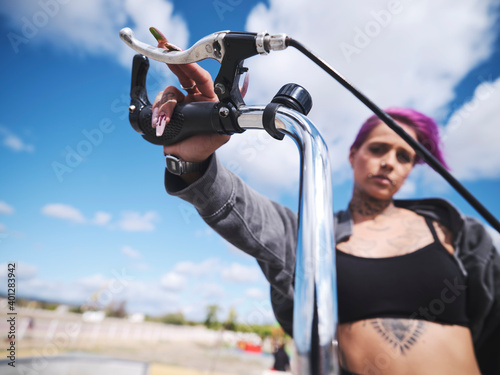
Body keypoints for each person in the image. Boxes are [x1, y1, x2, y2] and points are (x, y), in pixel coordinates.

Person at [151, 39, 500, 374]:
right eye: (378, 148)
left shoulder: (456, 231)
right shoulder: (312, 235)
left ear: (411, 168)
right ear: (353, 153)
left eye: (404, 155)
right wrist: (194, 162)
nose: (389, 162)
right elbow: (243, 211)